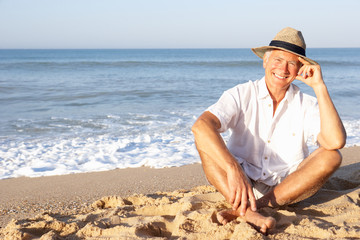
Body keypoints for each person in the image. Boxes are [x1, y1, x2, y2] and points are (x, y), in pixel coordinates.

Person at [191, 27, 346, 234]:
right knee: (204, 139)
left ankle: (250, 209)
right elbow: (200, 125)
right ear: (265, 61)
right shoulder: (241, 93)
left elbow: (335, 142)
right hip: (238, 183)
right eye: (278, 60)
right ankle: (248, 210)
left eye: (292, 63)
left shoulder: (306, 104)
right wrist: (233, 169)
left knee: (331, 156)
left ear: (300, 68)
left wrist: (319, 87)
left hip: (286, 187)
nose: (283, 69)